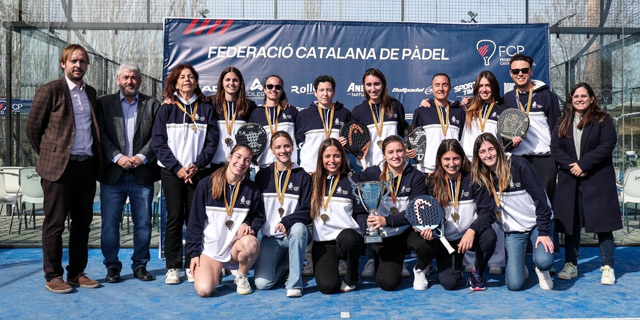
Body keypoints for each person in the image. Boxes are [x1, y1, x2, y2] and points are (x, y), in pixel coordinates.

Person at [25, 44, 104, 293]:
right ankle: (53, 275)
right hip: (58, 170)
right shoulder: (51, 90)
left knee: (82, 223)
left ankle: (76, 272)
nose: (78, 66)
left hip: (86, 167)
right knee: (54, 224)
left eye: (82, 62)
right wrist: (52, 156)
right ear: (63, 64)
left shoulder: (90, 93)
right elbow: (32, 129)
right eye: (73, 61)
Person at [151, 63, 218, 285]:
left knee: (195, 219)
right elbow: (159, 143)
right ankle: (172, 266)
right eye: (182, 77)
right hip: (172, 173)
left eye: (190, 76)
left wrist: (197, 165)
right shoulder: (166, 108)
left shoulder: (206, 108)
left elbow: (212, 142)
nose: (187, 80)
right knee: (174, 218)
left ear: (196, 81)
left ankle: (193, 263)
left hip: (198, 172)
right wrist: (177, 168)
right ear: (175, 82)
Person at [550, 82, 622, 285]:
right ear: (571, 100)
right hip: (570, 180)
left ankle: (608, 266)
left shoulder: (603, 120)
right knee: (571, 225)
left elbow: (607, 145)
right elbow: (555, 149)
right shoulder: (563, 121)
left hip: (597, 179)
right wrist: (573, 166)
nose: (579, 99)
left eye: (583, 96)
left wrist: (583, 164)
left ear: (591, 99)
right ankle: (571, 264)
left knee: (603, 224)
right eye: (575, 96)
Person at [96, 62, 160, 283]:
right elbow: (100, 135)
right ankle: (112, 266)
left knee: (143, 223)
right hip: (113, 174)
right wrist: (117, 157)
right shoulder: (103, 104)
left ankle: (140, 265)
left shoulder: (152, 104)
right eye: (125, 77)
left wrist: (141, 157)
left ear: (140, 80)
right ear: (117, 80)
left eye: (134, 77)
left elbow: (157, 136)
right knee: (110, 224)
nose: (130, 81)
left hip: (141, 175)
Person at [472, 132, 554, 291]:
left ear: (498, 148)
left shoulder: (519, 165)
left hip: (537, 224)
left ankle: (542, 269)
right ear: (478, 156)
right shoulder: (481, 176)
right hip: (514, 231)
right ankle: (520, 266)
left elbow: (541, 199)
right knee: (514, 285)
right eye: (482, 151)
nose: (488, 155)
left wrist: (544, 231)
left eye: (491, 149)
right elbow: (487, 211)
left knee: (544, 260)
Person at [186, 144, 265, 297]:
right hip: (211, 250)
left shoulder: (252, 188)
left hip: (235, 248)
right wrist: (194, 253)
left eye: (247, 160)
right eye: (238, 157)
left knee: (251, 243)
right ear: (229, 157)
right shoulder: (206, 184)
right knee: (204, 290)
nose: (241, 163)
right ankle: (217, 271)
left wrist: (249, 225)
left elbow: (259, 216)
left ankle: (241, 275)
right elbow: (195, 222)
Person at [419, 139, 496, 291]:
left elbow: (487, 212)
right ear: (440, 160)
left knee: (489, 236)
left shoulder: (475, 178)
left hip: (469, 235)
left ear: (462, 158)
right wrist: (427, 227)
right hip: (447, 241)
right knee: (450, 284)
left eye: (456, 158)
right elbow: (425, 211)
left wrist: (472, 230)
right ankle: (438, 265)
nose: (451, 164)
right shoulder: (433, 182)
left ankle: (477, 272)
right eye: (446, 159)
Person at [359, 135, 430, 291]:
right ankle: (388, 260)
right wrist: (367, 222)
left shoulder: (415, 176)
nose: (395, 156)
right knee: (387, 283)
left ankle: (420, 268)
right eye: (390, 152)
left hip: (407, 230)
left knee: (426, 243)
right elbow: (359, 204)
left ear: (405, 152)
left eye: (399, 151)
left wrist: (386, 220)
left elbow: (414, 211)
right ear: (383, 154)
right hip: (385, 235)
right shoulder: (371, 174)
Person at [459, 70, 507, 275]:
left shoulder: (502, 110)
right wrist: (427, 101)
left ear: (494, 88)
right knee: (472, 212)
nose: (484, 89)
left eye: (488, 86)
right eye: (481, 86)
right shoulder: (467, 109)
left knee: (498, 211)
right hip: (471, 167)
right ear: (476, 88)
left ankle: (497, 259)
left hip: (494, 167)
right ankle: (470, 258)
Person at [254, 131, 312, 297]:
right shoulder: (262, 175)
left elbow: (307, 210)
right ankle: (287, 265)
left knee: (300, 228)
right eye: (278, 147)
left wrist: (287, 221)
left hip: (292, 235)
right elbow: (257, 209)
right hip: (271, 238)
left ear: (292, 147)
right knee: (262, 284)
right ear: (272, 149)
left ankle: (295, 283)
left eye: (286, 146)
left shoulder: (302, 176)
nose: (283, 150)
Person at [310, 138, 367, 293]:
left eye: (336, 156)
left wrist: (368, 226)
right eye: (327, 156)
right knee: (327, 287)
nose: (332, 161)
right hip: (323, 242)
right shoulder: (312, 180)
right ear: (321, 158)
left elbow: (360, 212)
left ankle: (352, 275)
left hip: (347, 238)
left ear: (342, 157)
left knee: (349, 238)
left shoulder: (352, 180)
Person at [503, 54, 560, 201]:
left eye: (524, 70)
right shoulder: (508, 98)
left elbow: (557, 129)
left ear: (531, 71)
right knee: (522, 204)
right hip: (518, 159)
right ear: (511, 74)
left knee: (545, 203)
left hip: (544, 159)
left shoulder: (547, 96)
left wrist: (556, 158)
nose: (520, 74)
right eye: (516, 71)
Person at [350, 68, 409, 169]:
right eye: (369, 85)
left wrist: (407, 146)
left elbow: (403, 132)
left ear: (383, 84)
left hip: (395, 166)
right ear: (364, 86)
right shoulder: (358, 112)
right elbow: (354, 143)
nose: (373, 89)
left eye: (377, 84)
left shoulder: (395, 105)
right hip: (371, 167)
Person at [296, 75, 351, 174]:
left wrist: (347, 144)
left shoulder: (344, 113)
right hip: (311, 172)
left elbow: (352, 143)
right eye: (321, 90)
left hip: (338, 172)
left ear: (334, 92)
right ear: (315, 92)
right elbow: (295, 142)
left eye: (329, 90)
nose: (325, 94)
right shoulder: (304, 115)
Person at [412, 73, 465, 173]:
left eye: (444, 85)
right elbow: (414, 143)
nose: (440, 89)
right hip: (429, 170)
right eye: (437, 85)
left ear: (450, 88)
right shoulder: (421, 111)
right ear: (432, 88)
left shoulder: (459, 111)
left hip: (452, 169)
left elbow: (462, 140)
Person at [210, 67, 257, 168]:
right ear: (222, 83)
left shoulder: (249, 105)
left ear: (240, 83)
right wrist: (171, 99)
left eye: (235, 80)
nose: (231, 83)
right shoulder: (211, 103)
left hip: (239, 165)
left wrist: (282, 102)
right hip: (214, 164)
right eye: (227, 80)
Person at [249, 75, 298, 168]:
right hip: (265, 167)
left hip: (289, 166)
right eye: (270, 86)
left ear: (282, 90)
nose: (274, 89)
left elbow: (300, 136)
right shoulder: (256, 114)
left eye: (278, 87)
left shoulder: (290, 111)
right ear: (264, 89)